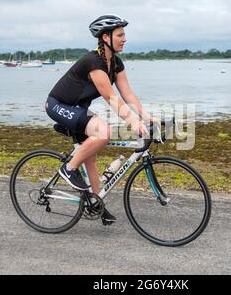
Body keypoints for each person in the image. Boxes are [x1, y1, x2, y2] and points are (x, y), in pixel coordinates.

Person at [45, 14, 159, 225]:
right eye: (120, 35)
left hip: (77, 108)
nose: (124, 39)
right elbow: (110, 97)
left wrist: (147, 117)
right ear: (106, 37)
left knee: (91, 156)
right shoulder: (93, 61)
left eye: (124, 35)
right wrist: (133, 122)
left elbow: (128, 94)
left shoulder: (115, 63)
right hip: (58, 105)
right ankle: (68, 169)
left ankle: (95, 203)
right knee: (103, 132)